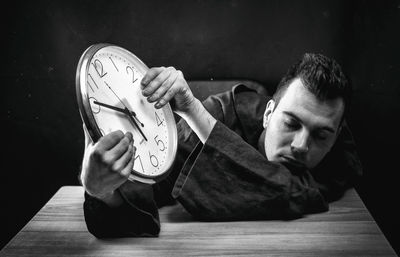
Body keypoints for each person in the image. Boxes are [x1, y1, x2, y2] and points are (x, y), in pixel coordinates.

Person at [80, 53, 362, 237]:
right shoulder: (215, 116)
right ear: (268, 113)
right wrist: (99, 190)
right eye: (290, 124)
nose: (302, 145)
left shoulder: (338, 151)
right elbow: (143, 197)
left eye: (322, 135)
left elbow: (294, 190)